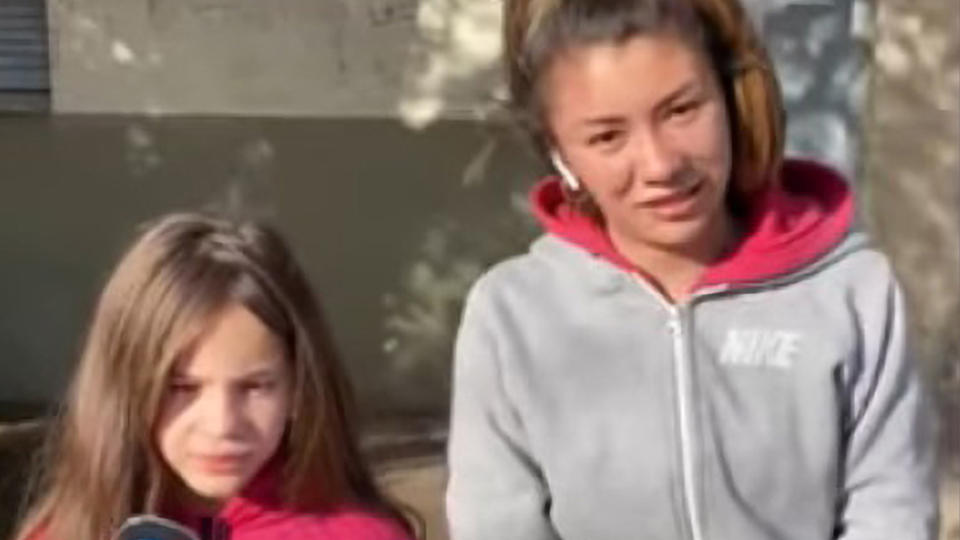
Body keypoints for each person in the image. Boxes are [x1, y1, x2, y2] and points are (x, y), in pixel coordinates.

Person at [445, 0, 938, 539]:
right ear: (560, 154)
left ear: (729, 100)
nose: (661, 165)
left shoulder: (852, 293)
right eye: (607, 137)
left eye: (681, 111)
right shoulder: (510, 316)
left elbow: (891, 510)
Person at [14, 213, 416, 540]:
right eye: (182, 388)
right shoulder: (67, 531)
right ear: (125, 389)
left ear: (299, 388)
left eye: (256, 387)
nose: (223, 424)